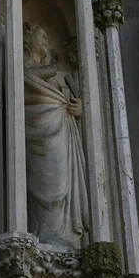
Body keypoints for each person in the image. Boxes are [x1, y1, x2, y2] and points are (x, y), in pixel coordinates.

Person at [23, 23, 89, 247]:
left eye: (48, 39)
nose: (46, 42)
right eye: (42, 36)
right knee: (44, 179)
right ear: (28, 38)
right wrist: (51, 67)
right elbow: (23, 82)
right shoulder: (26, 65)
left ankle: (62, 233)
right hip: (38, 130)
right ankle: (44, 232)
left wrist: (77, 109)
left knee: (61, 178)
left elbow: (61, 101)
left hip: (61, 131)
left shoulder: (52, 76)